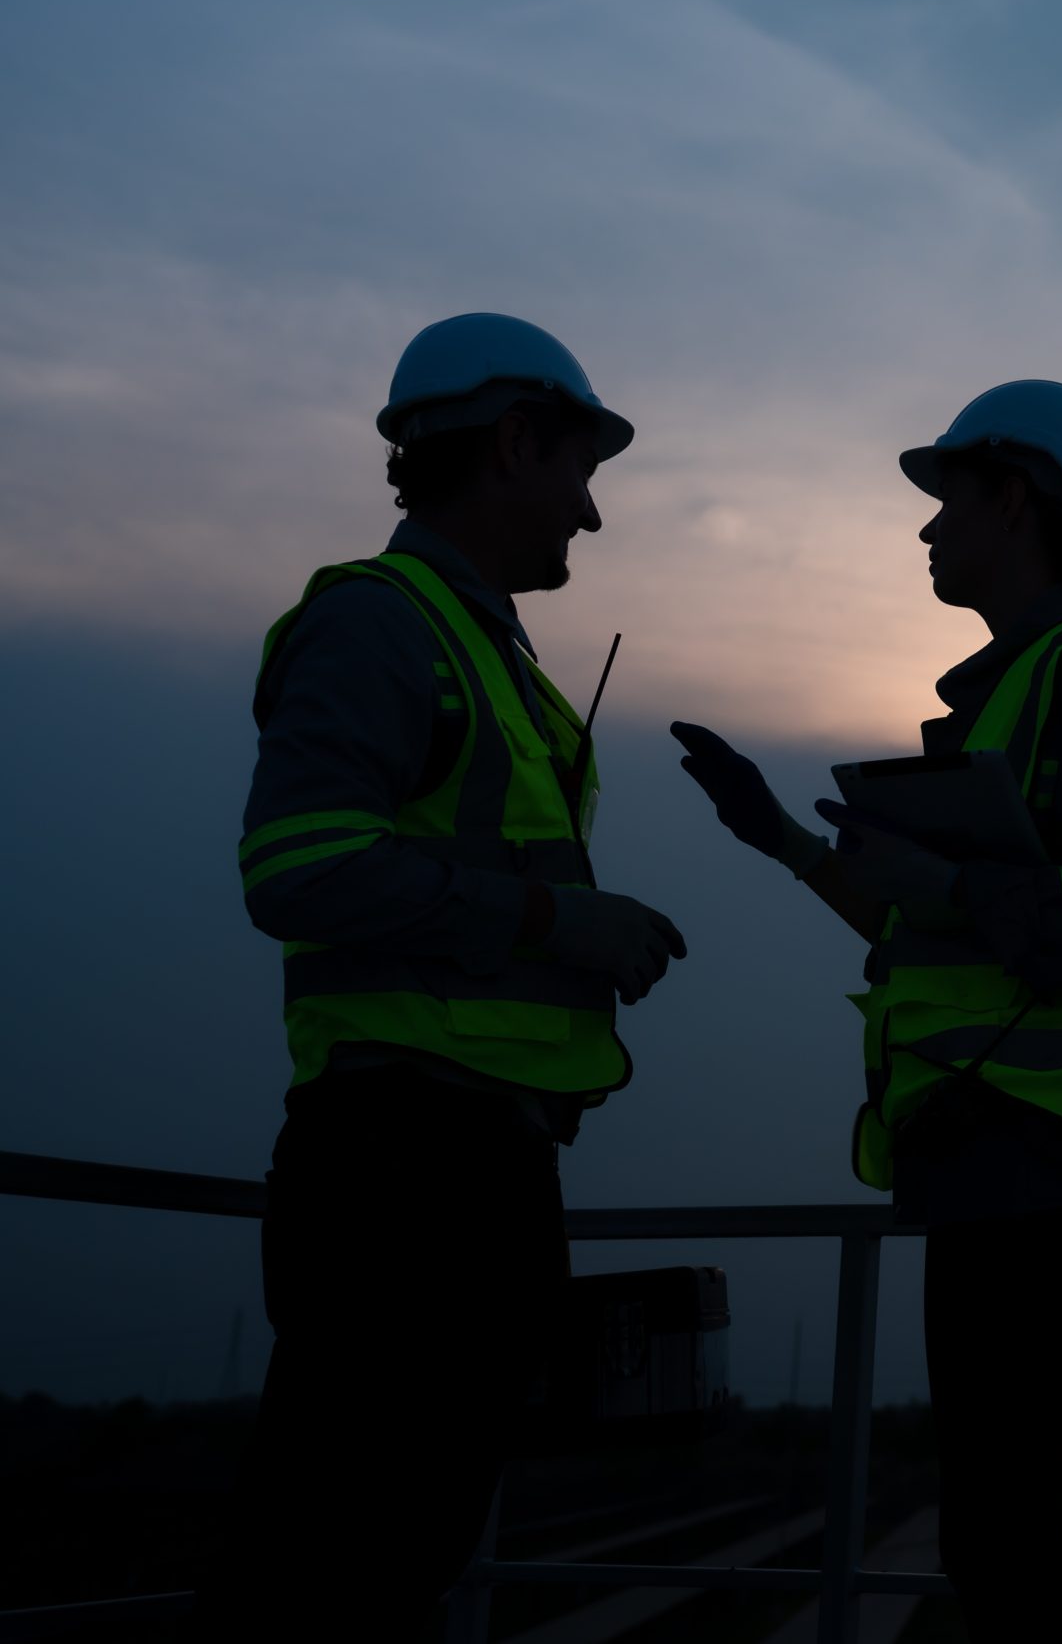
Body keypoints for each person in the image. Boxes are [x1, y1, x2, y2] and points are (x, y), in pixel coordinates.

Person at [194, 314, 688, 1640]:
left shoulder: (486, 657)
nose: (591, 511)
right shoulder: (379, 622)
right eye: (582, 468)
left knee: (383, 1557)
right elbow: (295, 867)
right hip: (403, 1172)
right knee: (331, 1566)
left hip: (469, 1166)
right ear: (514, 442)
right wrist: (560, 924)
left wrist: (572, 934)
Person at [671, 380, 1062, 1642]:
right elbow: (941, 931)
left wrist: (951, 879)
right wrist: (785, 841)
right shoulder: (1013, 693)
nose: (924, 530)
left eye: (946, 498)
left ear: (1012, 498)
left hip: (1023, 1141)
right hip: (984, 1145)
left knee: (999, 1535)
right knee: (992, 1528)